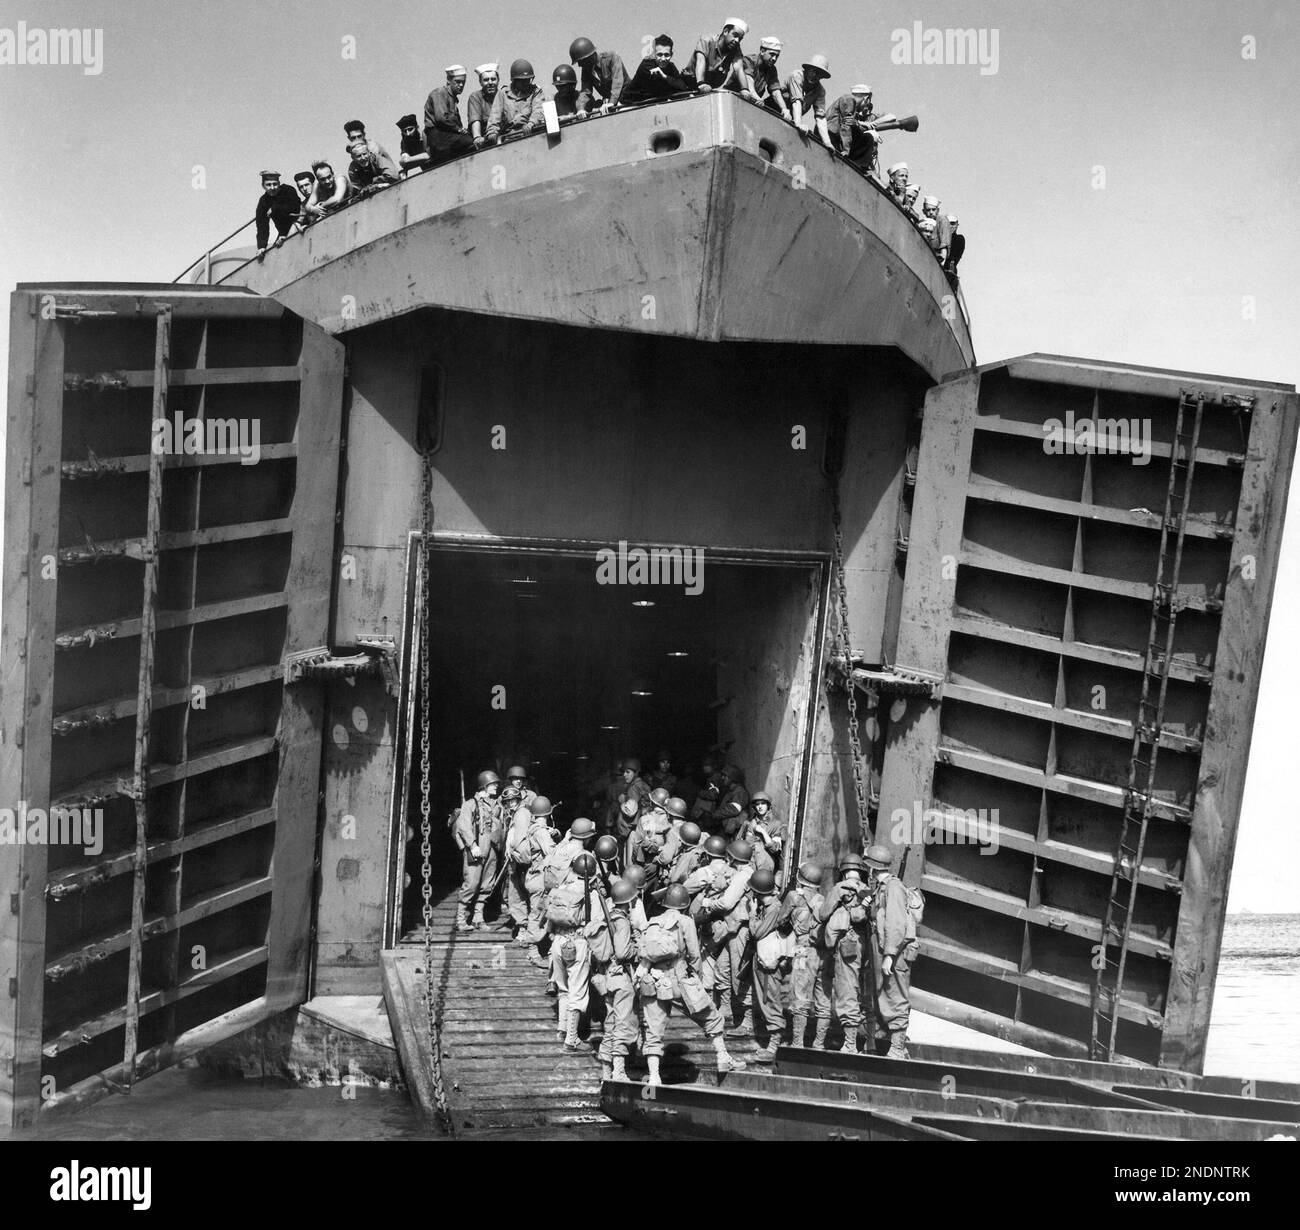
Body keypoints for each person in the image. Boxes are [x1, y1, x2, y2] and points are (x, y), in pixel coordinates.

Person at [636, 883, 746, 1083]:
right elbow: (694, 955)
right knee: (710, 1015)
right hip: (679, 979)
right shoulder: (685, 921)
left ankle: (653, 1078)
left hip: (652, 981)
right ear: (684, 904)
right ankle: (722, 1057)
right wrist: (697, 981)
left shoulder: (653, 921)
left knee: (653, 1029)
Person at [864, 843, 920, 1059]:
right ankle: (890, 1045)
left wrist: (888, 955)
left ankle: (897, 1048)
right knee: (883, 995)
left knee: (895, 996)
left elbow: (895, 924)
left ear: (872, 867)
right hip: (884, 952)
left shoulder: (894, 888)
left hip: (894, 955)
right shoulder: (882, 888)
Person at [812, 853, 871, 1050]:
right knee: (857, 989)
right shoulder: (867, 890)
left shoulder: (840, 888)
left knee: (846, 992)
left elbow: (823, 914)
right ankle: (861, 1039)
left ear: (844, 872)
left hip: (846, 946)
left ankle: (850, 1044)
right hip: (862, 947)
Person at [587, 877, 639, 1081]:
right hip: (621, 977)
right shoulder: (622, 921)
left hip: (607, 978)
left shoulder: (607, 918)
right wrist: (638, 947)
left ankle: (606, 1072)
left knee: (610, 1024)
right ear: (629, 901)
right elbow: (623, 951)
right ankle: (618, 1071)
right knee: (624, 1023)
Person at [547, 852, 597, 1050]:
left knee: (563, 988)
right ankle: (572, 1038)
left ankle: (562, 1028)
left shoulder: (561, 889)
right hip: (577, 942)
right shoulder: (590, 894)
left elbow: (550, 917)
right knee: (578, 991)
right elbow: (596, 924)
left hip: (558, 941)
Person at [777, 860, 825, 1046]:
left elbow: (781, 920)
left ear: (800, 880)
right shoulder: (822, 899)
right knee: (822, 998)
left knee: (799, 994)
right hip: (823, 952)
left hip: (802, 949)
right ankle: (819, 1044)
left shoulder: (794, 897)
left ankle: (797, 1043)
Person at [452, 769, 504, 931]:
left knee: (487, 884)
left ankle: (478, 917)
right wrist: (472, 845)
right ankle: (460, 920)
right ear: (485, 785)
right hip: (477, 848)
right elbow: (463, 826)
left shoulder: (497, 804)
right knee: (472, 883)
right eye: (493, 785)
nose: (496, 787)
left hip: (493, 849)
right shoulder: (469, 804)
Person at [504, 794, 556, 945]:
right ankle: (533, 948)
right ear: (549, 813)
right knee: (538, 912)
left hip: (532, 875)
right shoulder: (540, 831)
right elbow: (553, 854)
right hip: (540, 878)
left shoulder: (531, 827)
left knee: (536, 910)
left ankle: (533, 940)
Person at [746, 868, 787, 1061]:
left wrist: (752, 915)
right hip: (763, 959)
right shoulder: (770, 906)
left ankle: (774, 1046)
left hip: (769, 962)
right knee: (765, 998)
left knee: (770, 999)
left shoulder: (773, 908)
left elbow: (757, 933)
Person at [424, 65, 475, 164]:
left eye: (463, 82)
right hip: (438, 135)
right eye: (458, 82)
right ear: (449, 80)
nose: (461, 85)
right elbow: (441, 118)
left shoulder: (453, 99)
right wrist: (458, 129)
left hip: (447, 135)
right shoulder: (439, 93)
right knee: (468, 142)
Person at [487, 60, 546, 142]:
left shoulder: (536, 92)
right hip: (508, 137)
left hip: (531, 135)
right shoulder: (503, 93)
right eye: (522, 81)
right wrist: (492, 132)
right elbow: (494, 115)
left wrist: (531, 124)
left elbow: (538, 110)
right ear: (514, 80)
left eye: (528, 80)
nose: (526, 83)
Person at [686, 18, 750, 92]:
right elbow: (701, 60)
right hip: (690, 83)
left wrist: (745, 90)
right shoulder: (707, 40)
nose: (737, 40)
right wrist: (701, 83)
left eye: (740, 38)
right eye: (735, 35)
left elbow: (739, 69)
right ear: (725, 31)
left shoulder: (736, 49)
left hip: (710, 88)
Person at [622, 35, 691, 103]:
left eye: (666, 55)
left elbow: (682, 86)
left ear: (671, 54)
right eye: (660, 55)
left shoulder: (671, 67)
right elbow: (660, 88)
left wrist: (665, 76)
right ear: (654, 54)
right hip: (629, 105)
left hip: (651, 105)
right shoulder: (646, 64)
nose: (663, 59)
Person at [569, 36, 627, 114]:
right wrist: (581, 109)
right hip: (610, 104)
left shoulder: (612, 58)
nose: (579, 65)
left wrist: (611, 102)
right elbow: (585, 92)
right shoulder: (586, 70)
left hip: (627, 98)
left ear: (590, 56)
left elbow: (617, 82)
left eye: (581, 61)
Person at [788, 54, 832, 146]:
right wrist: (799, 124)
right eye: (814, 71)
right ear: (808, 69)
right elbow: (797, 102)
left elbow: (820, 117)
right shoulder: (797, 75)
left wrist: (827, 142)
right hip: (775, 109)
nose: (815, 76)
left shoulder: (820, 91)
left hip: (791, 119)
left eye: (820, 74)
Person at [254, 171, 301, 256]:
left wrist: (275, 208)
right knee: (275, 252)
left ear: (279, 183)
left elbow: (295, 207)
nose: (272, 188)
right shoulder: (263, 201)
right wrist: (262, 246)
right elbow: (262, 225)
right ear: (263, 186)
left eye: (275, 184)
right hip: (283, 232)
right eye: (268, 185)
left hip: (298, 224)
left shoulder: (288, 190)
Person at [743, 36, 790, 119]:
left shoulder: (772, 69)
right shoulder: (749, 60)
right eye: (772, 54)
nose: (774, 58)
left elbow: (775, 91)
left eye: (777, 56)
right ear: (762, 51)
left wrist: (784, 109)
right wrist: (756, 97)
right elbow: (748, 80)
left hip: (748, 105)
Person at [742, 790, 786, 878]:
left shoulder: (776, 824)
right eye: (757, 804)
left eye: (763, 803)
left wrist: (763, 832)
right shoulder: (750, 823)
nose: (760, 807)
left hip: (765, 865)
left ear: (768, 806)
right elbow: (742, 843)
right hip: (750, 862)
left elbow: (776, 849)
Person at [467, 63, 500, 149]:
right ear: (480, 82)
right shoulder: (475, 97)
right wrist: (477, 137)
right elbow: (475, 119)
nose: (490, 82)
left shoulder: (503, 95)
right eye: (486, 80)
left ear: (498, 80)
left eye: (493, 79)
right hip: (485, 141)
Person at [714, 764, 749, 836]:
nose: (723, 778)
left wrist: (715, 814)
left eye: (725, 776)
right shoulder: (731, 790)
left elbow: (734, 809)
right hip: (725, 829)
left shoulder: (740, 791)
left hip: (732, 834)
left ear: (733, 778)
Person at [921, 195, 952, 263]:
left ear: (938, 210)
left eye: (933, 209)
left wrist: (941, 265)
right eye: (928, 210)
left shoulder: (942, 221)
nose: (931, 212)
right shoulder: (923, 222)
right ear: (924, 211)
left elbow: (944, 246)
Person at [944, 215, 965, 289]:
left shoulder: (959, 239)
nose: (950, 226)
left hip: (949, 273)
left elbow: (955, 256)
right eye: (947, 224)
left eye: (952, 224)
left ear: (957, 225)